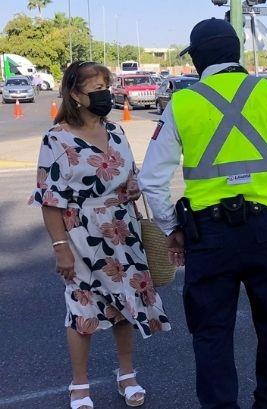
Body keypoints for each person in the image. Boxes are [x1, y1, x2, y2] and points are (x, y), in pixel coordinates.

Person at [139, 18, 267, 409]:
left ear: (199, 58)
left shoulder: (183, 102)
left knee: (212, 334)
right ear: (234, 52)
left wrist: (173, 227)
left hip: (208, 235)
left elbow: (151, 178)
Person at [31, 61, 171, 409]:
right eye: (96, 89)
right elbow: (49, 200)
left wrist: (133, 188)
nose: (105, 95)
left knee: (126, 305)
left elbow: (127, 176)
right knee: (82, 310)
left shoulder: (116, 132)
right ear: (75, 95)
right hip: (81, 236)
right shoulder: (56, 139)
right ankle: (79, 385)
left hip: (124, 231)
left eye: (106, 87)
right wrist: (60, 247)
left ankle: (127, 374)